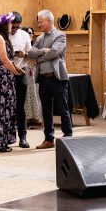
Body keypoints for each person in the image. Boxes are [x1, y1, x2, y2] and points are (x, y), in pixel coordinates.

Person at [26, 9, 72, 149]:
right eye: (38, 22)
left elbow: (55, 52)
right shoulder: (39, 38)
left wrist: (39, 58)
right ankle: (49, 139)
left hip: (57, 78)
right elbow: (30, 53)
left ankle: (68, 138)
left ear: (49, 21)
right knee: (46, 110)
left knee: (63, 108)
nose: (39, 24)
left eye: (41, 21)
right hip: (43, 79)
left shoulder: (60, 35)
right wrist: (43, 51)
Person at [0, 13, 22, 152]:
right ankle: (0, 142)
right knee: (2, 108)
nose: (11, 26)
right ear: (4, 25)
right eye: (9, 24)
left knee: (3, 108)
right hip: (2, 77)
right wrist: (16, 71)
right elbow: (5, 60)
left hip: (4, 76)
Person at [8, 14, 32, 149]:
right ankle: (5, 137)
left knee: (20, 107)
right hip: (5, 75)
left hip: (20, 72)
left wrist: (24, 55)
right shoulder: (0, 35)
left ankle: (23, 137)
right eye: (13, 27)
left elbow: (31, 55)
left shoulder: (24, 35)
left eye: (18, 27)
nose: (15, 30)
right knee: (6, 106)